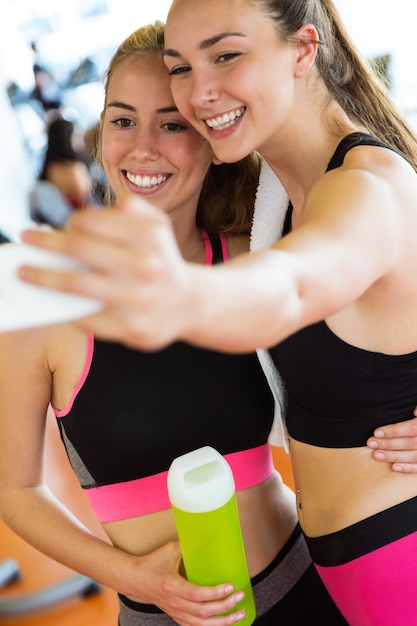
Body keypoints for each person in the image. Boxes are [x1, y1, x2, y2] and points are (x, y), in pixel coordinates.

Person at [18, 1, 417, 623]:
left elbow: (294, 287)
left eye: (173, 124)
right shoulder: (278, 211)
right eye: (123, 119)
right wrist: (130, 577)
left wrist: (180, 295)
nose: (201, 92)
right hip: (278, 582)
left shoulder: (308, 215)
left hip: (342, 568)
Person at [37, 116, 93, 214]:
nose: (79, 138)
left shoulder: (51, 166)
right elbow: (88, 200)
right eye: (75, 135)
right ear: (66, 139)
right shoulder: (73, 169)